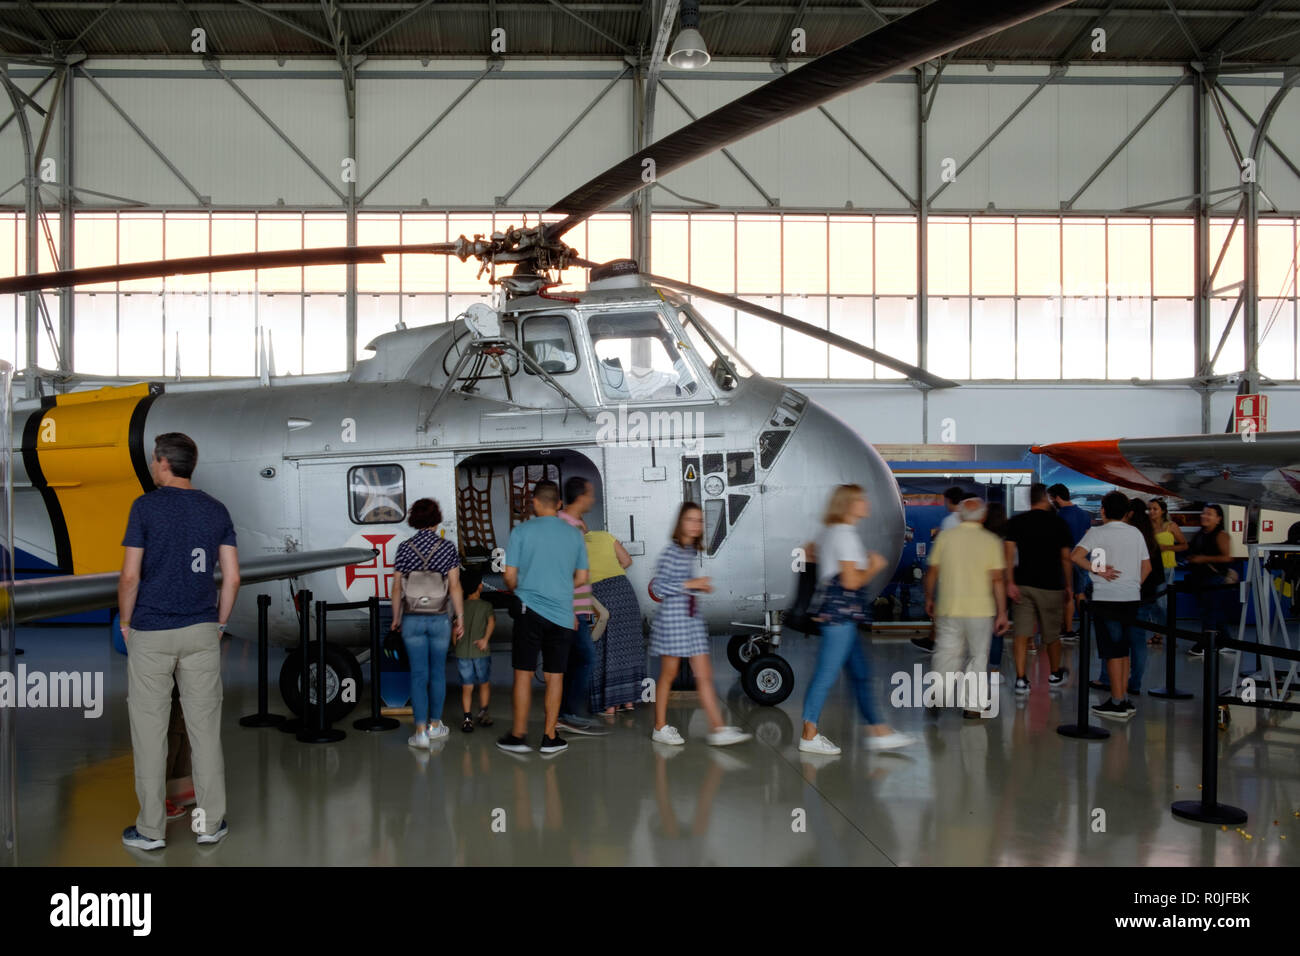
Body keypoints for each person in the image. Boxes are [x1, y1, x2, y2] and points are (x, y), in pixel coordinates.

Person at [119, 432, 238, 850]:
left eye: (154, 460)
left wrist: (127, 623)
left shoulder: (145, 507)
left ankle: (151, 831)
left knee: (150, 734)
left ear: (164, 462)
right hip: (201, 631)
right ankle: (208, 826)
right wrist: (219, 623)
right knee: (204, 732)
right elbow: (232, 577)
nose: (154, 467)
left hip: (151, 631)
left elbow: (130, 575)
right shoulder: (216, 510)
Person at [800, 485, 914, 753]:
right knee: (825, 675)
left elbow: (811, 552)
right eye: (860, 499)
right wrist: (873, 566)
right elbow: (851, 582)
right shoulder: (845, 535)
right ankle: (808, 734)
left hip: (840, 616)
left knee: (861, 674)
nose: (865, 503)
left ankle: (879, 730)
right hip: (841, 616)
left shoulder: (831, 532)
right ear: (849, 504)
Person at [497, 479, 588, 756]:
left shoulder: (521, 531)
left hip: (529, 611)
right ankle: (550, 738)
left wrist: (522, 590)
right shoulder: (575, 534)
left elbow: (509, 576)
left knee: (523, 674)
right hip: (562, 614)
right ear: (559, 504)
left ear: (535, 503)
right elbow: (582, 577)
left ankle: (519, 735)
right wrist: (559, 592)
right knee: (555, 676)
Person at [649, 502, 751, 747]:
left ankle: (717, 728)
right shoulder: (671, 552)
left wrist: (696, 586)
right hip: (674, 623)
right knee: (668, 675)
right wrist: (692, 585)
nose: (696, 525)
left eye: (699, 520)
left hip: (691, 622)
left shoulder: (688, 552)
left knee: (705, 675)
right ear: (680, 523)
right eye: (690, 520)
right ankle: (660, 727)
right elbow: (658, 587)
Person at [924, 498, 1009, 719]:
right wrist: (1002, 612)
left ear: (961, 515)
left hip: (949, 606)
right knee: (978, 657)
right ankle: (973, 706)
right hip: (980, 610)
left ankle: (938, 696)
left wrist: (928, 598)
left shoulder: (946, 537)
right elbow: (997, 579)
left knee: (946, 653)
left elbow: (932, 570)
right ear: (982, 516)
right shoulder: (991, 540)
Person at [390, 498, 464, 750]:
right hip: (439, 618)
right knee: (437, 674)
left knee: (418, 675)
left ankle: (419, 732)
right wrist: (460, 618)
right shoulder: (447, 547)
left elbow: (397, 587)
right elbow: (454, 586)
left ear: (414, 518)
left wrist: (397, 617)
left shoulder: (404, 548)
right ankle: (435, 725)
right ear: (436, 518)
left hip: (411, 618)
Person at [1072, 490, 1150, 721]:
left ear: (1103, 510)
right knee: (1123, 649)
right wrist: (1132, 584)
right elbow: (1147, 567)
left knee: (1112, 652)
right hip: (1131, 597)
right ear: (1127, 512)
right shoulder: (1135, 533)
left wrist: (1098, 570)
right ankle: (1123, 698)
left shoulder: (1097, 532)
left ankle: (1117, 703)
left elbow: (1076, 556)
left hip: (1107, 598)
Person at [1004, 482, 1074, 697]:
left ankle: (1021, 679)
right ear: (1045, 498)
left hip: (1023, 584)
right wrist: (1069, 585)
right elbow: (1065, 558)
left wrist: (1010, 582)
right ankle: (1054, 673)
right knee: (1051, 633)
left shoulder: (1016, 522)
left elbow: (1007, 555)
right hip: (1051, 585)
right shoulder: (1058, 523)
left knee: (1022, 633)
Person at [1093, 499, 1163, 695]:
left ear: (1129, 513)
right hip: (1144, 594)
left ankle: (1111, 684)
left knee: (1115, 642)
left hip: (1122, 594)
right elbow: (1150, 568)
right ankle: (1134, 684)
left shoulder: (1123, 533)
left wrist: (1131, 585)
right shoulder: (1145, 534)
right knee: (1137, 640)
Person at [556, 477, 601, 735]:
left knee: (575, 661)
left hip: (578, 607)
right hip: (571, 609)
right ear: (580, 497)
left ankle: (566, 713)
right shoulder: (566, 527)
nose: (593, 499)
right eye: (590, 494)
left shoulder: (575, 525)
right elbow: (564, 571)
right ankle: (570, 713)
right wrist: (570, 609)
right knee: (585, 658)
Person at [585, 524, 643, 716]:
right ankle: (628, 701)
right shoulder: (604, 535)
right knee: (626, 648)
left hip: (599, 597)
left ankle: (610, 706)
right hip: (623, 591)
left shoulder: (572, 546)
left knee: (603, 649)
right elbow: (626, 561)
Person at [912, 485, 967, 654]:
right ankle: (934, 639)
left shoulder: (949, 522)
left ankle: (935, 640)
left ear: (949, 501)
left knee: (943, 608)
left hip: (950, 573)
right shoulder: (968, 519)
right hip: (967, 573)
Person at [1185, 503, 1234, 659]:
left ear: (1218, 519)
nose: (1204, 516)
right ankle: (1226, 641)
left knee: (1210, 612)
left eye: (1209, 514)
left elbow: (1227, 557)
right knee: (1211, 610)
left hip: (1214, 579)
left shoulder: (1221, 535)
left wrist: (1203, 559)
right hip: (1200, 578)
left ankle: (1206, 644)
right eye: (1204, 513)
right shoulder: (1200, 534)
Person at [1049, 483, 1093, 640]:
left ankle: (1067, 630)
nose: (1051, 501)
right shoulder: (1084, 514)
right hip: (1082, 558)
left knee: (1067, 593)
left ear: (1058, 498)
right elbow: (1089, 537)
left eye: (1052, 498)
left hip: (1065, 559)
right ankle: (1084, 626)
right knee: (1080, 594)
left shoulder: (1059, 516)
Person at [453, 567, 495, 733]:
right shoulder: (486, 606)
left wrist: (456, 645)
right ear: (480, 586)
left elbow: (454, 629)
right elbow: (491, 622)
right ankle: (484, 713)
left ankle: (467, 719)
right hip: (481, 652)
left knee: (467, 686)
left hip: (463, 653)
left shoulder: (460, 606)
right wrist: (485, 640)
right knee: (484, 683)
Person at [1145, 498, 1187, 646]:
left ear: (1162, 510)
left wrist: (1167, 548)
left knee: (1163, 602)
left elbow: (1183, 545)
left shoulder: (1171, 526)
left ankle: (1169, 633)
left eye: (1155, 509)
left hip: (1167, 566)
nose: (1151, 512)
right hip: (1151, 567)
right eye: (1150, 509)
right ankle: (1158, 634)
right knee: (1154, 602)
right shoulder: (1147, 527)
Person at [982, 502, 1009, 685]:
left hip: (979, 589)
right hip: (999, 588)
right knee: (997, 631)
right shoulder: (1006, 540)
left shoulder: (980, 538)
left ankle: (976, 667)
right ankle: (994, 669)